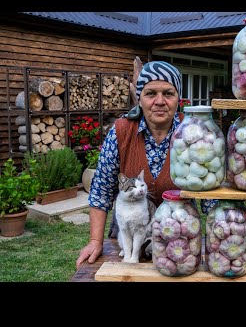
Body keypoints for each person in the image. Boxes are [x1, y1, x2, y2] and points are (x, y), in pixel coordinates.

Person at [76, 61, 215, 269]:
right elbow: (101, 189)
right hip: (127, 235)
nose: (160, 101)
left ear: (178, 98)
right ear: (139, 98)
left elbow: (211, 196)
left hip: (181, 237)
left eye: (168, 93)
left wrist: (217, 241)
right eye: (151, 93)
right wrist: (95, 242)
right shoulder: (121, 131)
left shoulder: (193, 132)